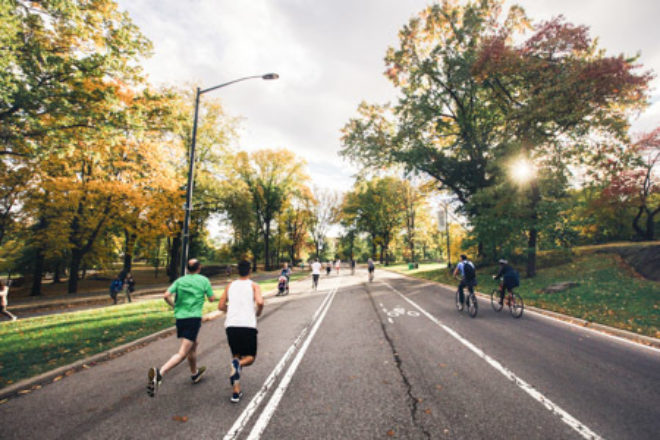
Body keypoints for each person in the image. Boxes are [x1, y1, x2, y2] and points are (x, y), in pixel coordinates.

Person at [147, 259, 216, 397]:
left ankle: (194, 373)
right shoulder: (203, 280)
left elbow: (166, 295)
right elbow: (212, 299)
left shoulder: (180, 281)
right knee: (183, 353)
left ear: (187, 268)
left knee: (194, 345)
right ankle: (160, 373)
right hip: (193, 319)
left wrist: (174, 306)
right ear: (199, 268)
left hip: (181, 318)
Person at [218, 260, 264, 403]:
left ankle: (236, 392)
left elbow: (220, 306)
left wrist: (229, 310)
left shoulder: (230, 285)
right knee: (250, 357)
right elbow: (260, 302)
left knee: (236, 356)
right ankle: (239, 366)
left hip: (231, 325)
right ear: (250, 271)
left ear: (238, 271)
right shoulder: (254, 285)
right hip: (247, 325)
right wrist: (257, 312)